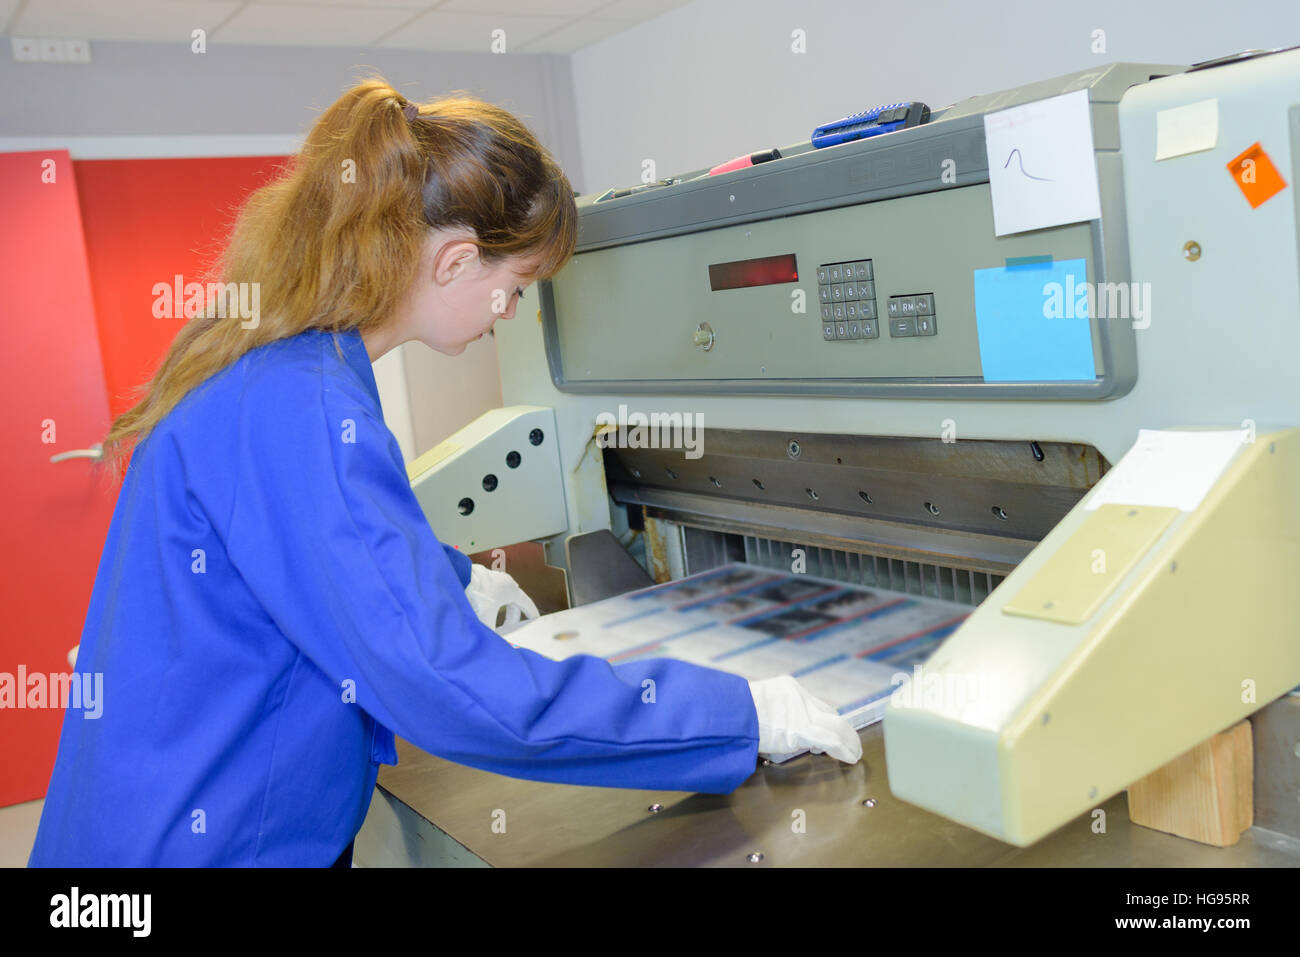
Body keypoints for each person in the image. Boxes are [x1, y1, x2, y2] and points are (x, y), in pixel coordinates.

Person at [28, 78, 860, 868]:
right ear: (457, 260)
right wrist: (734, 714)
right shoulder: (307, 406)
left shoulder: (274, 369)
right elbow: (448, 689)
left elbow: (313, 553)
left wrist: (449, 578)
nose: (513, 312)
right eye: (519, 282)